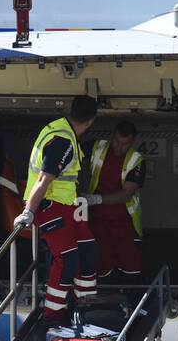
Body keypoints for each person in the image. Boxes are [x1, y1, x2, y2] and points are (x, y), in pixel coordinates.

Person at [13, 95, 99, 321]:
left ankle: (85, 301)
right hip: (48, 205)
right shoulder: (63, 140)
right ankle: (54, 313)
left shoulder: (62, 130)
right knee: (67, 259)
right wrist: (28, 211)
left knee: (88, 250)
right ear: (91, 121)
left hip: (66, 205)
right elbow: (43, 179)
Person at [84, 120, 146, 286]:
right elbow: (72, 152)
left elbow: (127, 194)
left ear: (132, 142)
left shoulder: (136, 160)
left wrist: (95, 199)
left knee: (131, 270)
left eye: (125, 144)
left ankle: (134, 309)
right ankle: (104, 308)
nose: (119, 147)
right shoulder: (98, 147)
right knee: (102, 270)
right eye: (117, 142)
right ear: (113, 136)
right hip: (98, 222)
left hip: (125, 224)